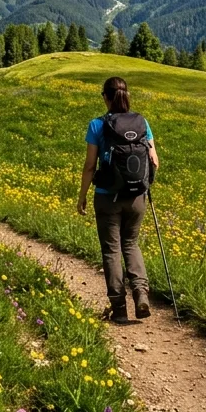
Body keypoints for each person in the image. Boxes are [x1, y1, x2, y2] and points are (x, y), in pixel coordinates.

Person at [78, 76, 159, 321]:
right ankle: (141, 295)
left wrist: (82, 196)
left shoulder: (97, 125)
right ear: (127, 96)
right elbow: (154, 161)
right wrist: (144, 185)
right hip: (137, 197)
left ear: (106, 97)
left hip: (107, 197)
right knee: (131, 244)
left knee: (111, 250)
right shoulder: (142, 122)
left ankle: (119, 308)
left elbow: (90, 166)